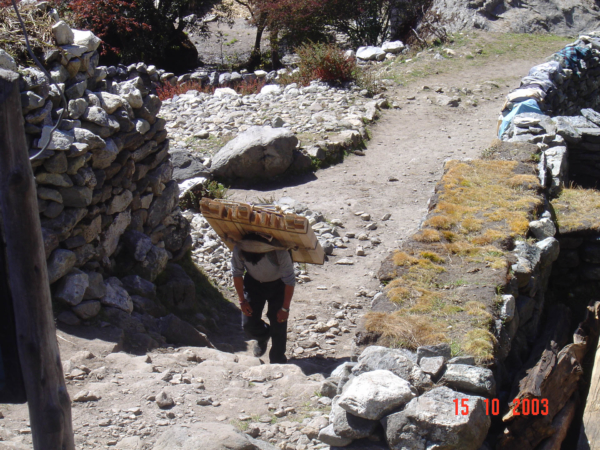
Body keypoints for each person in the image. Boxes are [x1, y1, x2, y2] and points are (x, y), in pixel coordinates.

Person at [231, 233, 295, 364]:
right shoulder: (239, 250)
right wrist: (242, 300)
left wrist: (285, 308)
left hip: (278, 284)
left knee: (279, 321)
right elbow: (237, 274)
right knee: (248, 324)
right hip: (253, 283)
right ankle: (263, 336)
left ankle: (278, 360)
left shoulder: (279, 252)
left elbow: (289, 281)